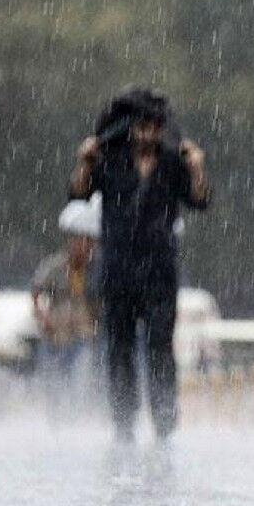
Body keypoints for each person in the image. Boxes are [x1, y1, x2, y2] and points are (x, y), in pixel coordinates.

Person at [69, 86, 209, 443]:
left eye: (155, 126)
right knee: (119, 348)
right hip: (117, 270)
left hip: (160, 270)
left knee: (161, 346)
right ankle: (123, 421)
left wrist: (196, 168)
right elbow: (78, 193)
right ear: (130, 127)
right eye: (143, 126)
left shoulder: (173, 163)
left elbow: (200, 200)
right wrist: (84, 161)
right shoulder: (108, 160)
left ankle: (164, 420)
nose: (149, 133)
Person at [31, 227, 97, 424]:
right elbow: (36, 290)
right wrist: (42, 315)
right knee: (54, 383)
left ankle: (74, 421)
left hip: (83, 334)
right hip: (56, 334)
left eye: (85, 244)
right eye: (77, 242)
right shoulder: (55, 266)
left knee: (80, 381)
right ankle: (56, 421)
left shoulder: (95, 269)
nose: (81, 248)